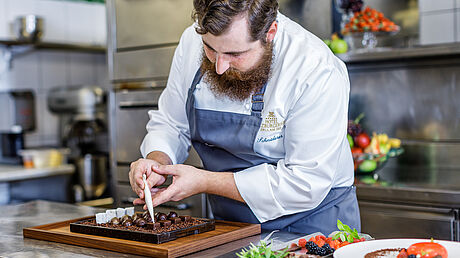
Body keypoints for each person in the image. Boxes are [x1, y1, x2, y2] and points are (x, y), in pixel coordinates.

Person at [129, 0, 360, 235]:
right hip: (233, 224)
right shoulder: (191, 41)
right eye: (210, 49)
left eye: (234, 54)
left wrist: (205, 181)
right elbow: (171, 123)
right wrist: (157, 161)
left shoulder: (313, 67)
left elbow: (305, 183)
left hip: (313, 223)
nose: (219, 66)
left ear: (270, 32)